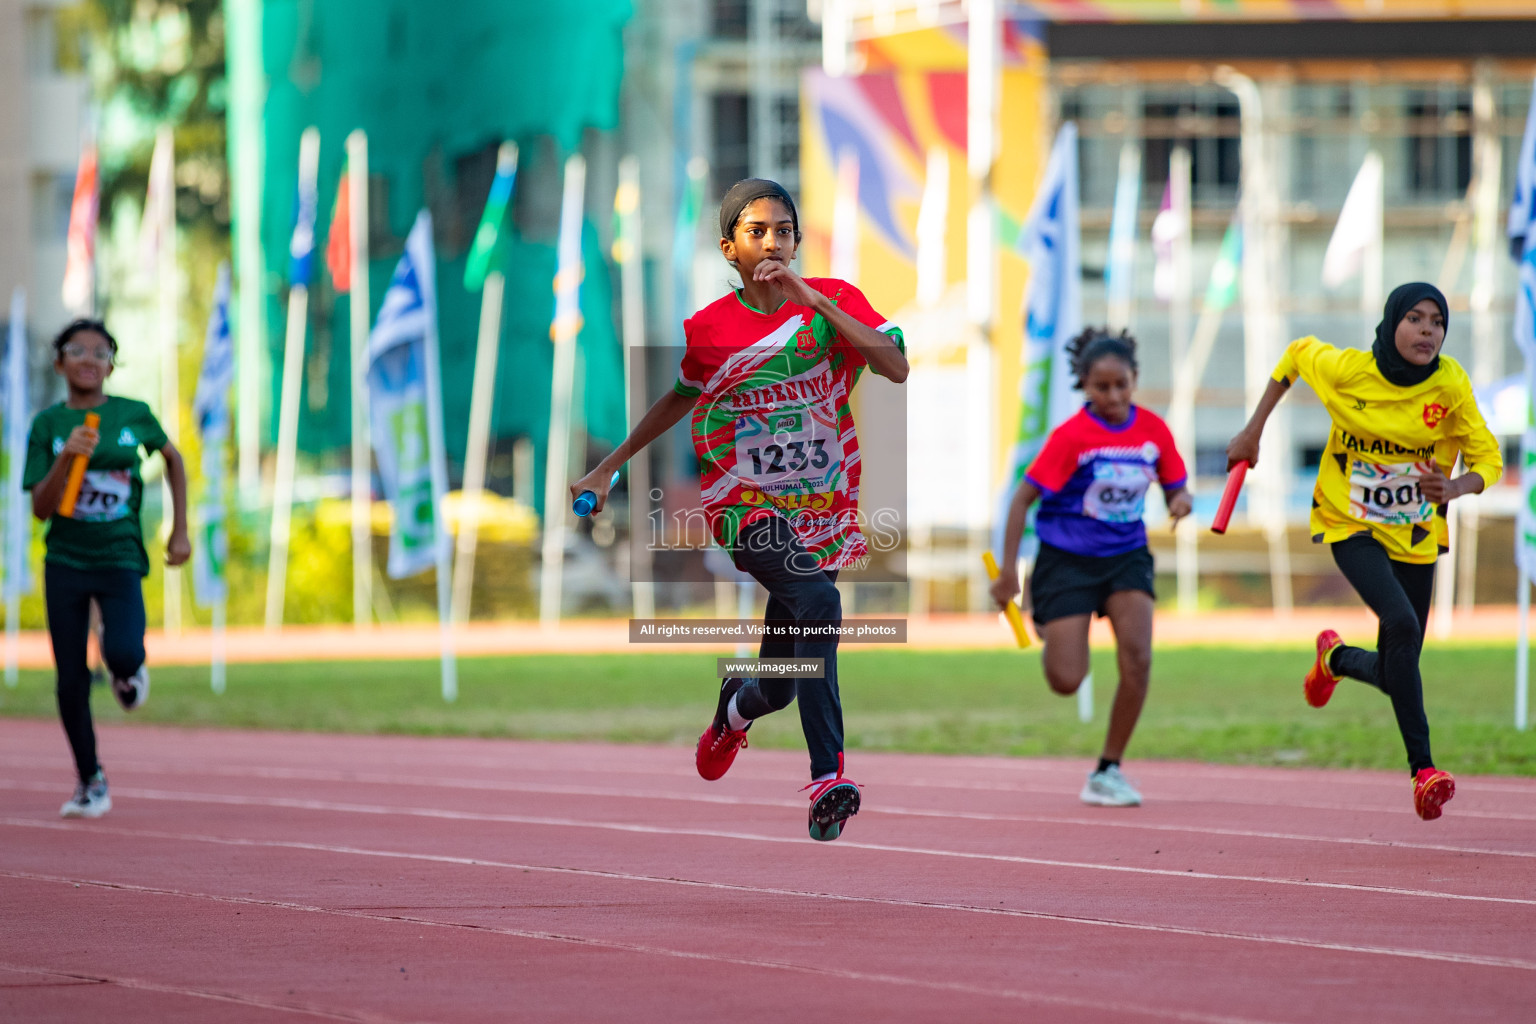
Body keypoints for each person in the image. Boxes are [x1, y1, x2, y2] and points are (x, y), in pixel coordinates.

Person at [571, 178, 907, 841]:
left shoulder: (834, 302)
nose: (773, 242)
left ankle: (735, 709)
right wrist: (612, 463)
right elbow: (679, 396)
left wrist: (814, 302)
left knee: (781, 680)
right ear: (731, 249)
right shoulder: (710, 331)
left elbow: (893, 365)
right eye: (757, 232)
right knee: (821, 605)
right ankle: (827, 776)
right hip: (744, 507)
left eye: (784, 230)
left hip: (822, 508)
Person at [1226, 282, 1500, 820]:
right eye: (1416, 319)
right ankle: (1424, 771)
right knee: (1399, 622)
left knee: (1402, 665)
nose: (1428, 331)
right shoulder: (1348, 370)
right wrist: (1252, 430)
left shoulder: (1450, 385)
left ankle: (1335, 658)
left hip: (1416, 534)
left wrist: (1456, 488)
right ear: (1392, 321)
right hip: (1348, 522)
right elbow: (1294, 355)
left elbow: (1487, 458)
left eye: (1438, 322)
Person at [990, 328, 1191, 807]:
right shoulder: (1072, 438)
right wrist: (1007, 572)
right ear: (1084, 386)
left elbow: (1175, 484)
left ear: (1134, 379)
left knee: (1138, 657)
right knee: (1066, 680)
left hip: (1126, 556)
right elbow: (1022, 500)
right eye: (1102, 388)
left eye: (1122, 384)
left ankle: (1108, 769)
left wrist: (1181, 500)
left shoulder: (1153, 431)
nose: (1114, 396)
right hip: (1067, 560)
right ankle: (1048, 620)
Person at [24, 319, 190, 819]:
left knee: (120, 650)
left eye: (101, 351)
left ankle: (125, 668)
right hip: (66, 562)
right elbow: (41, 508)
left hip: (119, 557)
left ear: (112, 364)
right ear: (60, 363)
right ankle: (90, 780)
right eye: (77, 350)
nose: (89, 359)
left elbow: (173, 460)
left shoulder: (132, 414)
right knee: (70, 679)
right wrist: (66, 458)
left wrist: (179, 531)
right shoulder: (48, 426)